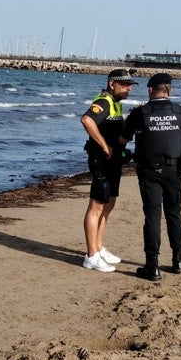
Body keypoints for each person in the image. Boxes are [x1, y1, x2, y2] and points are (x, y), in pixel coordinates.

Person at [120, 72, 181, 281]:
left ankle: (152, 266)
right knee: (174, 213)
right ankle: (178, 261)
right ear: (169, 89)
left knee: (152, 215)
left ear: (150, 90)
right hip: (176, 170)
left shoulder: (140, 113)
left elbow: (122, 140)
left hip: (149, 171)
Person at [79, 68, 138, 272]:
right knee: (96, 206)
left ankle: (99, 247)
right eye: (125, 85)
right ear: (112, 84)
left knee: (109, 203)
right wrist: (104, 146)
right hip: (100, 161)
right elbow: (87, 120)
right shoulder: (104, 101)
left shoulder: (116, 104)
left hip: (113, 163)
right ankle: (91, 256)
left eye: (130, 85)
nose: (129, 89)